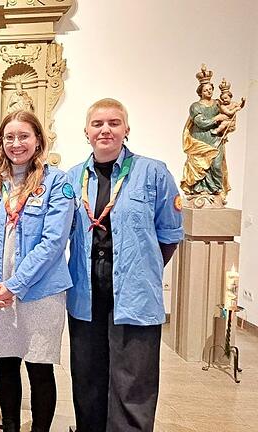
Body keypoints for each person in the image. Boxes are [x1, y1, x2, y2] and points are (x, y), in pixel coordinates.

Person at [67, 98, 183, 432]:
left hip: (134, 295)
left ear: (126, 129)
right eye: (98, 124)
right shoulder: (73, 178)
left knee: (133, 383)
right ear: (86, 132)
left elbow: (170, 234)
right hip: (86, 296)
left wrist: (142, 269)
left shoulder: (154, 172)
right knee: (87, 379)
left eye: (114, 123)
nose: (105, 129)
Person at [0, 110, 74, 432]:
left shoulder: (58, 182)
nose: (16, 144)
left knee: (40, 367)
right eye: (9, 137)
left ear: (38, 140)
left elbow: (53, 241)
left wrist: (15, 284)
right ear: (2, 143)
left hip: (41, 292)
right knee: (5, 363)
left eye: (23, 136)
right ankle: (10, 426)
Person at [181, 65, 231, 197]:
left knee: (216, 165)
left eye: (210, 89)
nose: (209, 92)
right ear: (200, 92)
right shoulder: (195, 106)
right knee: (201, 166)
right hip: (200, 138)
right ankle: (200, 189)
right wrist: (216, 119)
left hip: (215, 138)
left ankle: (216, 190)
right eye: (206, 90)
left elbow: (228, 115)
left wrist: (228, 122)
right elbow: (200, 122)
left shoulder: (217, 103)